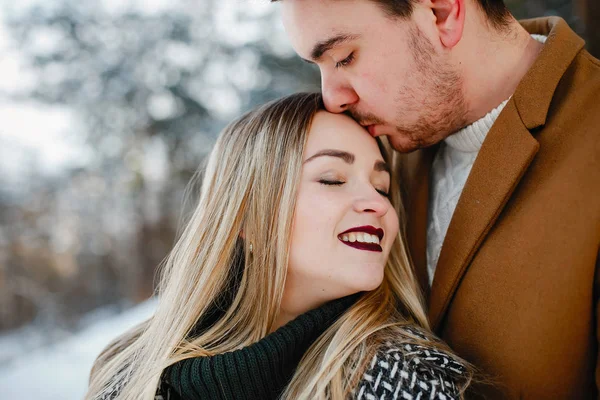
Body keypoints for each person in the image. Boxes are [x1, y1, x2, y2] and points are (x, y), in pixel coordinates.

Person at [276, 0, 600, 398]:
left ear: (442, 14)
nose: (331, 98)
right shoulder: (371, 155)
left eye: (344, 57)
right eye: (319, 68)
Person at [85, 93, 472, 400]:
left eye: (381, 186)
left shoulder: (404, 378)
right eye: (333, 179)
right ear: (248, 218)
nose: (377, 203)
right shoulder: (129, 367)